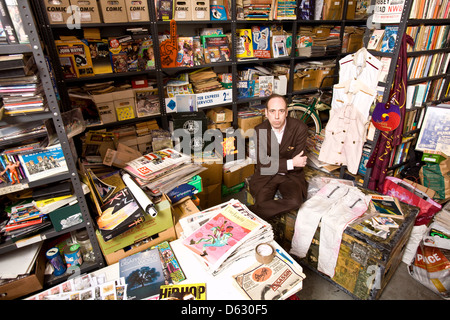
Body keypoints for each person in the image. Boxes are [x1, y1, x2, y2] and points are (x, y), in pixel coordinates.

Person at [248, 94, 309, 220]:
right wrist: (291, 162)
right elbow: (262, 164)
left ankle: (250, 212)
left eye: (281, 111)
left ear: (286, 112)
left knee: (295, 202)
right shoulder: (260, 130)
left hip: (290, 176)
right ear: (266, 113)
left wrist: (274, 163)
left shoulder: (300, 128)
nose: (276, 117)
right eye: (272, 111)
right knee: (261, 202)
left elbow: (299, 165)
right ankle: (256, 213)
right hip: (267, 176)